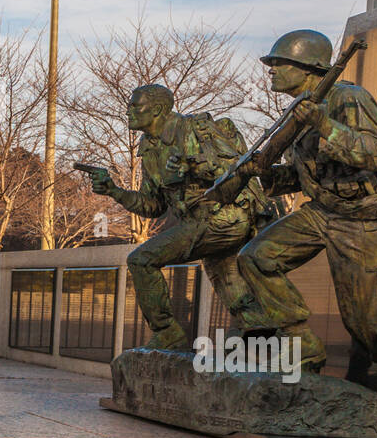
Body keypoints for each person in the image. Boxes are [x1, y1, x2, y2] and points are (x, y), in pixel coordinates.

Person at [235, 30, 377, 398]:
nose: (271, 71)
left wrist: (322, 123)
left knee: (366, 324)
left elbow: (375, 153)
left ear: (308, 68)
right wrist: (263, 175)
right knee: (257, 257)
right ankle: (303, 345)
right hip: (321, 212)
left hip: (363, 218)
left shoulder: (348, 98)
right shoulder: (300, 106)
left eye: (278, 64)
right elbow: (306, 175)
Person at [82, 85, 275, 350]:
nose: (128, 111)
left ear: (159, 109)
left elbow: (237, 169)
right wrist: (114, 191)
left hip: (225, 216)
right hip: (198, 222)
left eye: (135, 106)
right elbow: (154, 206)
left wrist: (193, 166)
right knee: (231, 284)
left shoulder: (195, 129)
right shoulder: (149, 147)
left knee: (141, 260)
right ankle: (262, 336)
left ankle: (168, 333)